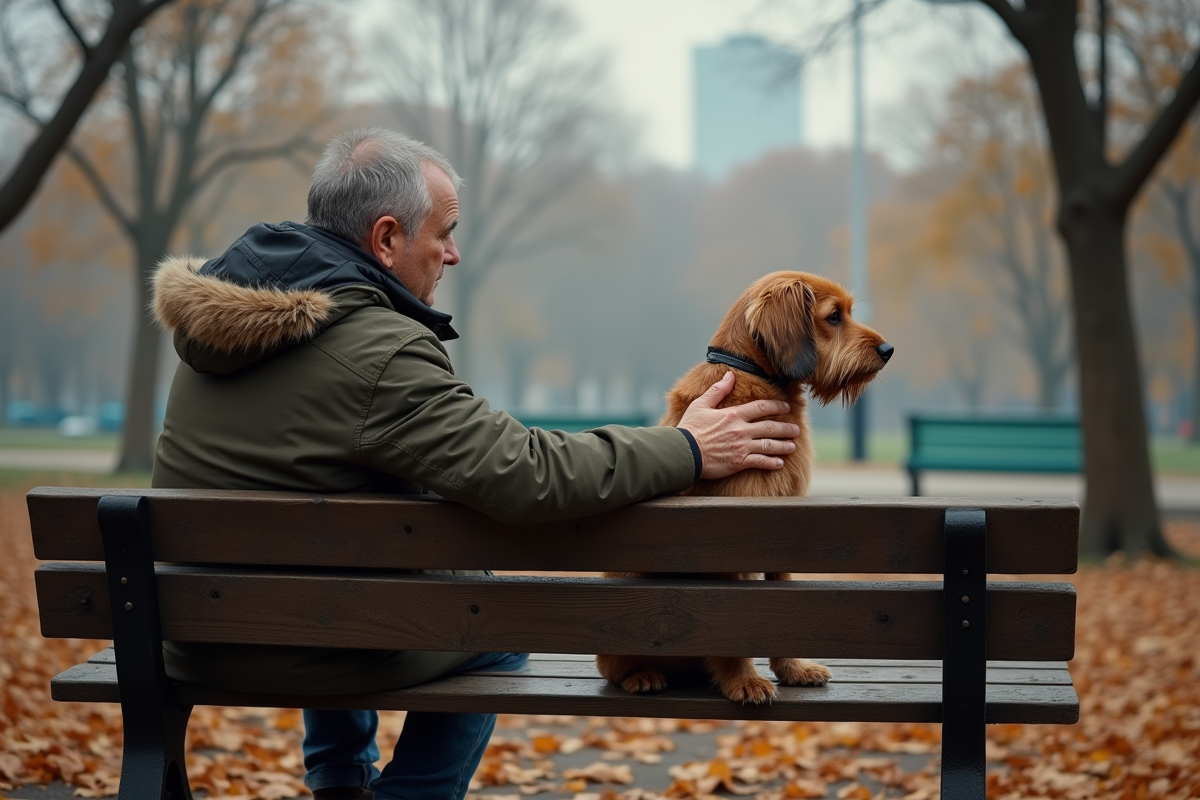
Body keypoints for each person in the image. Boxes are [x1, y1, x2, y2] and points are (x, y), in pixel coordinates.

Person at [150, 127, 801, 800]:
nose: (454, 254)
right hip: (305, 646)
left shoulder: (215, 328)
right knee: (494, 622)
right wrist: (688, 447)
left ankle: (341, 782)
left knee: (328, 564)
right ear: (385, 239)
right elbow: (526, 475)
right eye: (444, 233)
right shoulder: (379, 350)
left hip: (189, 634)